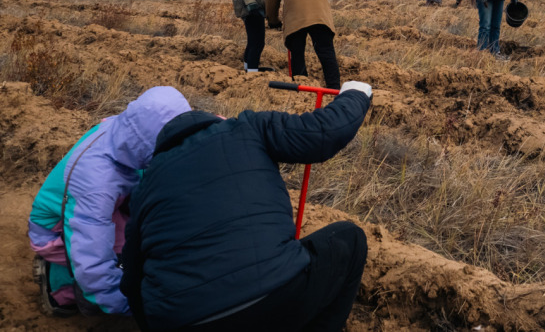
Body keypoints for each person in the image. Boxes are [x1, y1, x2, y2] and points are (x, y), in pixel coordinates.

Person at [120, 81, 373, 332]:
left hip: (181, 321)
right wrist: (356, 94)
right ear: (216, 120)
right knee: (349, 239)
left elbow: (132, 281)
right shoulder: (246, 128)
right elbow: (323, 131)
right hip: (274, 299)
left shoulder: (145, 185)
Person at [28, 87, 192, 318]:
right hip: (54, 230)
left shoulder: (126, 131)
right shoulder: (97, 182)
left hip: (102, 206)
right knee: (122, 253)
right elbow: (91, 255)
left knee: (143, 240)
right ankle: (59, 290)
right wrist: (129, 306)